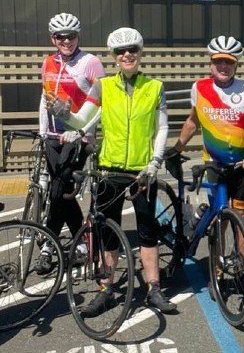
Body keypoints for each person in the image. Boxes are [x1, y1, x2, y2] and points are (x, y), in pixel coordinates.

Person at [63, 27, 178, 315]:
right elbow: (80, 121)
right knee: (108, 234)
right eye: (120, 52)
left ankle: (154, 289)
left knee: (147, 231)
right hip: (108, 170)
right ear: (114, 57)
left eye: (132, 50)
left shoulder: (155, 87)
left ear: (140, 53)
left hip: (142, 171)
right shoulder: (103, 86)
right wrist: (62, 114)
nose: (127, 55)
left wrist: (155, 162)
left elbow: (162, 128)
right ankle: (106, 290)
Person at [167, 35, 244, 248]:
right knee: (219, 215)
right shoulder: (200, 88)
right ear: (210, 63)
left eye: (229, 61)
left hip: (243, 164)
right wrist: (176, 149)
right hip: (214, 163)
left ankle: (242, 265)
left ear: (236, 64)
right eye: (218, 61)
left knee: (242, 216)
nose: (224, 66)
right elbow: (193, 121)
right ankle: (218, 265)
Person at [35, 13, 105, 275]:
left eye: (71, 36)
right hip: (53, 138)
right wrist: (42, 132)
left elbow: (101, 104)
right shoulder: (49, 62)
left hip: (78, 138)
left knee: (59, 192)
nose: (66, 41)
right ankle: (75, 244)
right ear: (53, 38)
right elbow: (45, 99)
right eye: (61, 36)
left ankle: (53, 246)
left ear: (78, 36)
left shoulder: (90, 63)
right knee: (59, 193)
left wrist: (82, 131)